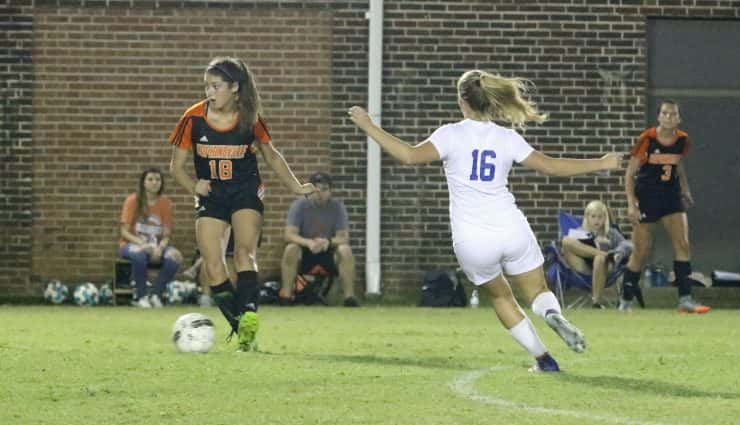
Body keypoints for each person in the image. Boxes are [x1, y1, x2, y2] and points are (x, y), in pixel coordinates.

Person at [348, 69, 622, 372]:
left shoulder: (450, 134)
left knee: (502, 296)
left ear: (462, 101)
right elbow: (551, 167)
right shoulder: (507, 138)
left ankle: (544, 359)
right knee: (537, 291)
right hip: (511, 227)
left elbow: (409, 156)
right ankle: (552, 315)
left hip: (472, 239)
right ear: (491, 101)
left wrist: (368, 125)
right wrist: (600, 162)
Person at [169, 56, 316, 351]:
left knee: (244, 254)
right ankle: (241, 327)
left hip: (245, 191)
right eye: (206, 86)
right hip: (212, 195)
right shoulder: (193, 118)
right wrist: (193, 185)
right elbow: (176, 167)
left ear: (235, 87)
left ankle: (248, 313)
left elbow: (272, 156)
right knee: (212, 267)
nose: (209, 92)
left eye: (216, 86)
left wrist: (297, 186)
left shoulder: (249, 118)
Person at [618, 100, 711, 314]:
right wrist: (631, 204)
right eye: (665, 113)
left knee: (683, 243)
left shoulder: (683, 140)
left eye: (673, 114)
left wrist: (685, 189)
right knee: (641, 251)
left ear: (679, 118)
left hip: (670, 196)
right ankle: (626, 298)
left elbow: (678, 164)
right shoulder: (647, 139)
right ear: (659, 116)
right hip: (647, 197)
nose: (668, 117)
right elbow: (629, 174)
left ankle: (685, 299)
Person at [279, 171, 359, 307]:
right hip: (305, 252)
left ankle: (349, 298)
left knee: (345, 250)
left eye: (324, 189)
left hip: (328, 252)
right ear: (310, 190)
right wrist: (308, 242)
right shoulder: (299, 206)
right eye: (316, 189)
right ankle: (286, 296)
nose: (320, 193)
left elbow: (343, 238)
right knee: (290, 248)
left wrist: (327, 241)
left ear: (330, 191)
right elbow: (289, 235)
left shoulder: (337, 208)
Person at [119, 168, 183, 308]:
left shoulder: (165, 202)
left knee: (174, 256)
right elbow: (124, 232)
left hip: (155, 246)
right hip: (132, 244)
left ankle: (156, 295)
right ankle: (141, 297)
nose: (154, 182)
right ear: (143, 182)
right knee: (139, 254)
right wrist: (143, 244)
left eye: (158, 179)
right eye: (150, 179)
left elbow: (166, 235)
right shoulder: (133, 200)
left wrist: (160, 248)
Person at [561, 200, 633, 308]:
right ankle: (603, 254)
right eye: (593, 216)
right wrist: (594, 241)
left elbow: (628, 245)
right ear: (587, 217)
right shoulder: (579, 231)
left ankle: (596, 303)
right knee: (566, 240)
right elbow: (567, 247)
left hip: (604, 268)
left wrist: (617, 252)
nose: (596, 220)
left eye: (600, 217)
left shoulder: (611, 233)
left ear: (605, 218)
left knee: (599, 258)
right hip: (583, 267)